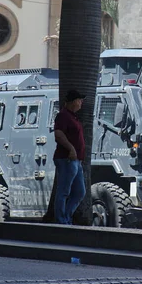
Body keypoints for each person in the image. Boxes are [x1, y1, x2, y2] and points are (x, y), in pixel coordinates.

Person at [52, 89, 86, 225]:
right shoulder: (63, 116)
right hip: (66, 158)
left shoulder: (73, 117)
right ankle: (61, 220)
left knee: (79, 192)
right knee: (64, 191)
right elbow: (58, 134)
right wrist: (71, 148)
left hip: (76, 161)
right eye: (79, 100)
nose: (81, 103)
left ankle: (66, 217)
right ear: (73, 102)